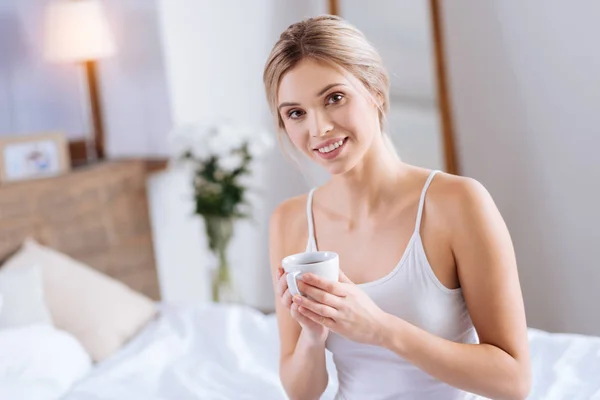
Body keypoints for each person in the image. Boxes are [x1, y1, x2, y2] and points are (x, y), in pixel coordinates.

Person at [264, 15, 531, 400]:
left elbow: (514, 382)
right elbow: (302, 392)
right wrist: (312, 335)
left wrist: (381, 329)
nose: (318, 128)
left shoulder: (457, 204)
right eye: (296, 113)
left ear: (375, 90)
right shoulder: (289, 222)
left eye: (334, 98)